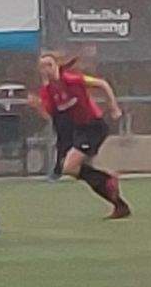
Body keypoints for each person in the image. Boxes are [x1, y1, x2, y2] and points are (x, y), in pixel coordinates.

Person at [36, 53, 131, 218]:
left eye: (49, 65)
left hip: (94, 126)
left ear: (57, 65)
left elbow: (102, 84)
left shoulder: (72, 79)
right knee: (75, 170)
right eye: (43, 67)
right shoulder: (48, 91)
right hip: (80, 130)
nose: (46, 70)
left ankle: (107, 178)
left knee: (69, 167)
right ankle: (119, 204)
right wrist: (38, 107)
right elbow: (53, 116)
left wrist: (113, 106)